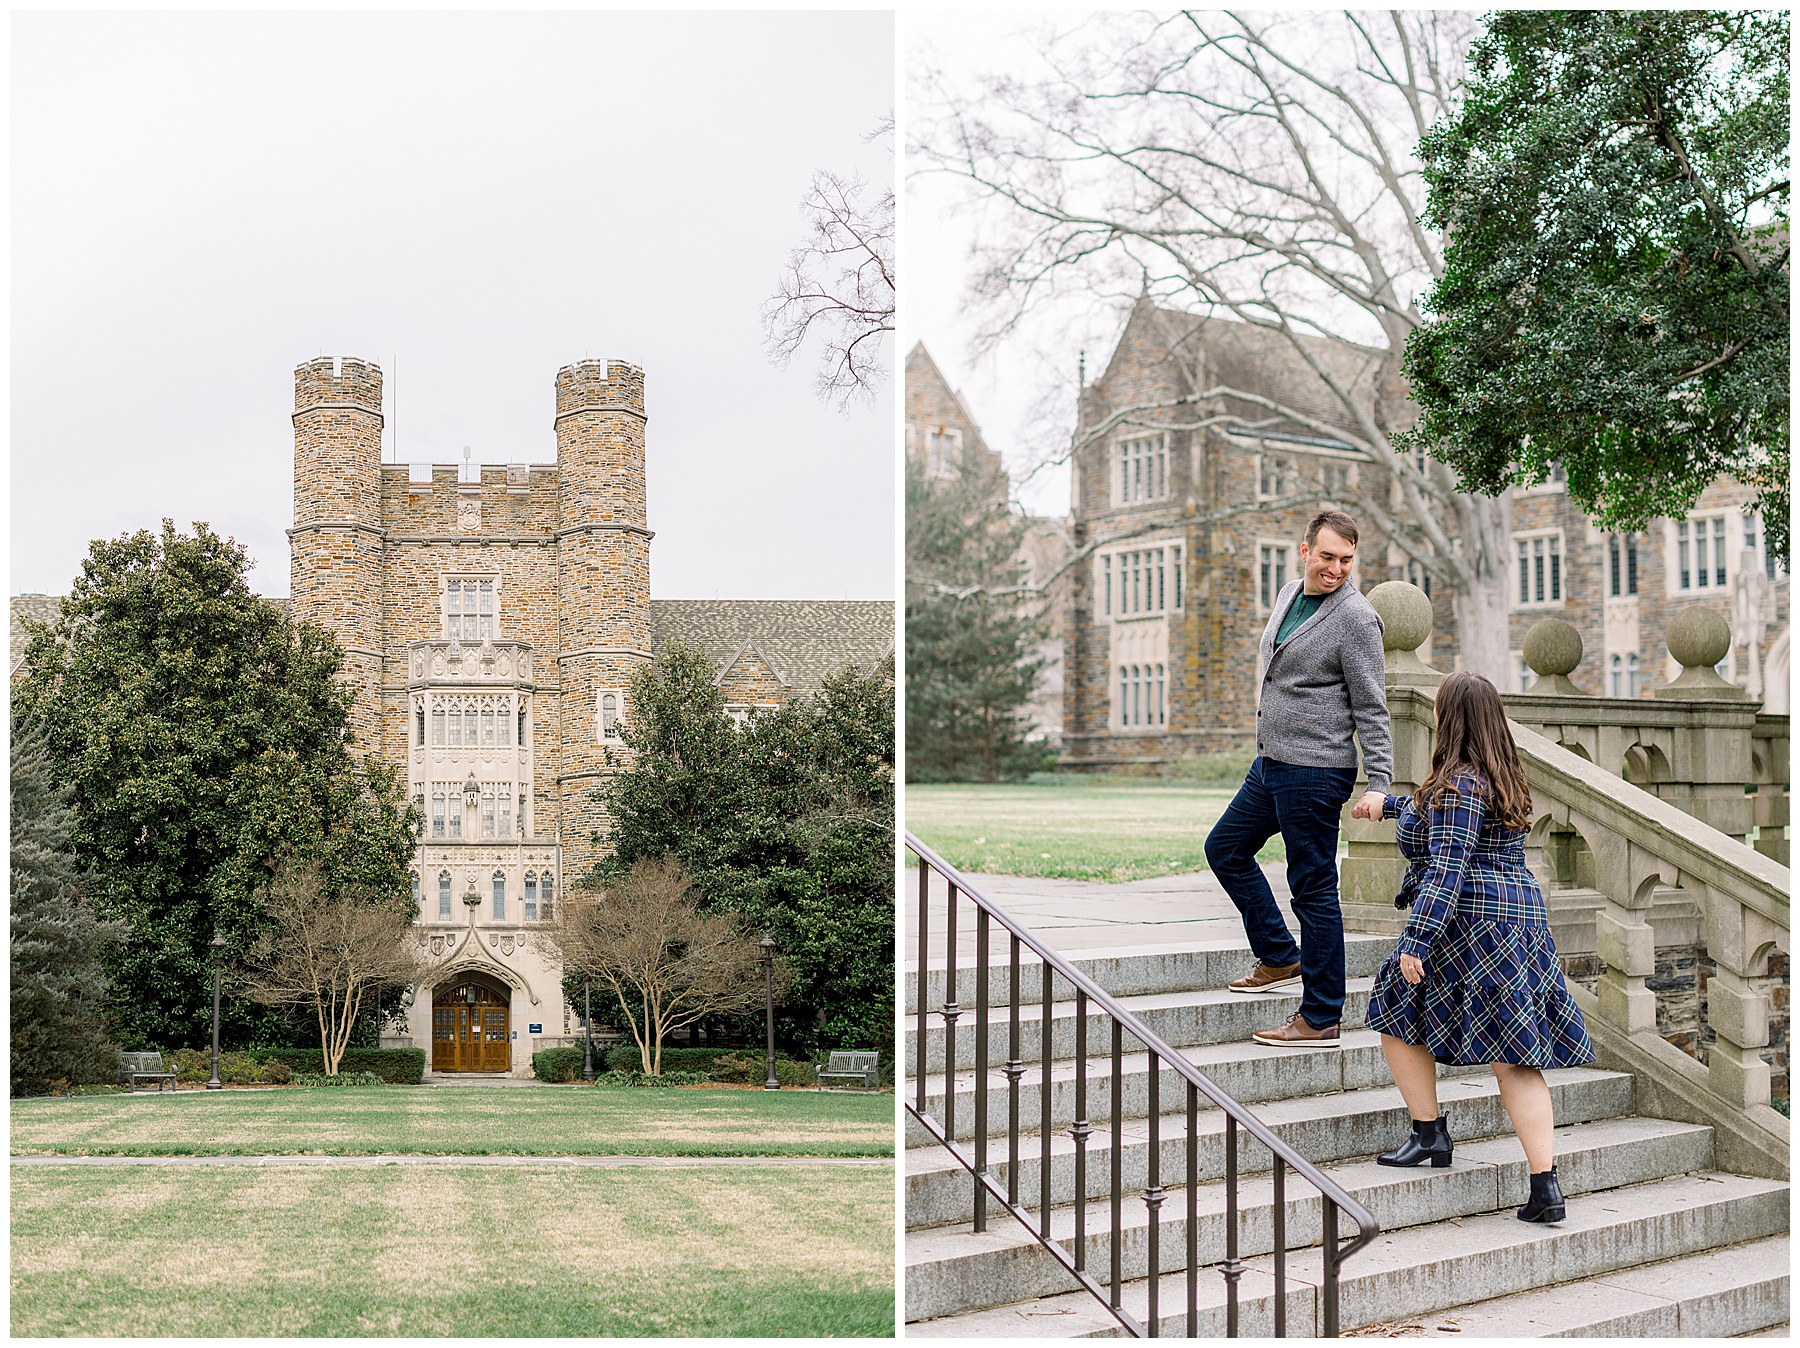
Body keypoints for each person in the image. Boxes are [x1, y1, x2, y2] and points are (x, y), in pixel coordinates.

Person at [1356, 670, 1593, 1224]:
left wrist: (1417, 938)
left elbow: (1448, 863)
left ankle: (1429, 1134)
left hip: (1472, 921)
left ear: (1450, 717)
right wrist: (1389, 805)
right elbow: (1443, 821)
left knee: (1394, 1005)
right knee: (1515, 1052)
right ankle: (1545, 1187)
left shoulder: (1459, 783)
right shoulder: (1502, 775)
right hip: (1518, 917)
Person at [1206, 510, 1391, 1050]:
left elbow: (1372, 707)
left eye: (1347, 560)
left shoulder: (1356, 617)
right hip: (1272, 762)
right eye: (1328, 556)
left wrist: (1379, 779)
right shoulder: (1290, 593)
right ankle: (1280, 954)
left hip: (1316, 770)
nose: (1336, 569)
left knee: (1313, 890)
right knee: (1225, 849)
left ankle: (1321, 1016)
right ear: (1305, 551)